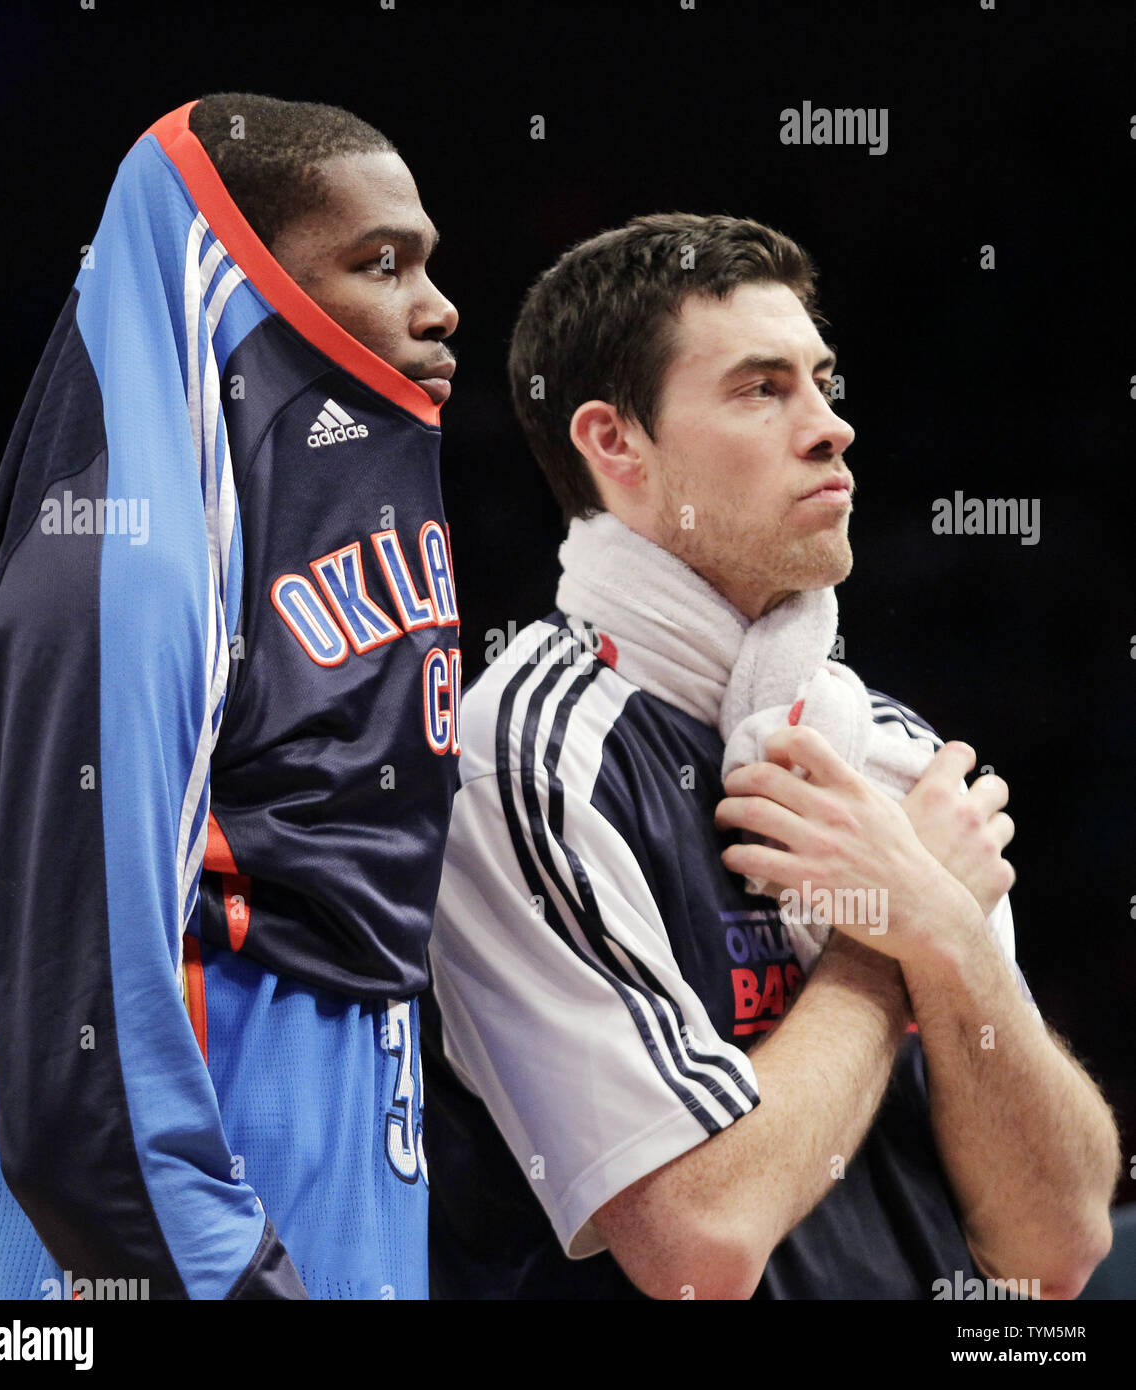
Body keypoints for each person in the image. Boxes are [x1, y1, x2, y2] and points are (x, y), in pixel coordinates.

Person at [421, 213, 1119, 1299]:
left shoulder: (891, 751)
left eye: (824, 382)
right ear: (616, 444)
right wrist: (892, 938)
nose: (831, 425)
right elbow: (700, 1242)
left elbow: (1063, 1243)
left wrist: (946, 934)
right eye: (761, 388)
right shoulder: (522, 755)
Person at [0, 92, 460, 1300]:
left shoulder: (302, 520)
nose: (437, 308)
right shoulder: (119, 569)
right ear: (236, 277)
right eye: (380, 265)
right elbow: (91, 1085)